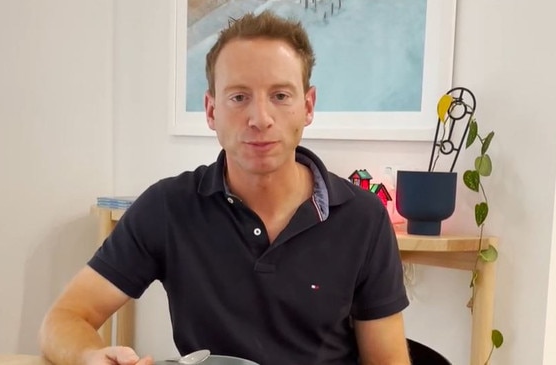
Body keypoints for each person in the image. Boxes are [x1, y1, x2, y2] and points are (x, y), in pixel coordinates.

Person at [39, 10, 410, 365]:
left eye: (280, 96)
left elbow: (387, 360)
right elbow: (65, 319)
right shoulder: (168, 207)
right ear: (211, 110)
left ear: (308, 106)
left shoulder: (363, 218)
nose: (260, 119)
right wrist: (89, 356)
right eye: (238, 97)